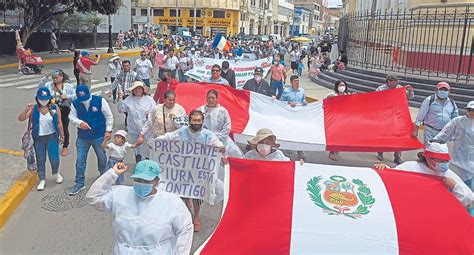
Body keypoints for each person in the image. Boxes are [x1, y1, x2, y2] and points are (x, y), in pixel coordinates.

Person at [85, 160, 193, 254]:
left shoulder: (171, 202)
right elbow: (93, 197)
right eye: (138, 180)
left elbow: (185, 228)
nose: (141, 183)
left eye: (146, 181)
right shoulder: (120, 194)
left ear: (156, 182)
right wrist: (112, 174)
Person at [154, 110, 225, 232]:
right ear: (189, 121)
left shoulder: (208, 135)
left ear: (202, 121)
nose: (196, 122)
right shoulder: (181, 132)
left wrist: (221, 148)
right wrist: (155, 142)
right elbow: (168, 137)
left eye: (199, 120)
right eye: (194, 120)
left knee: (197, 195)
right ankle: (184, 210)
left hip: (199, 171)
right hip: (183, 170)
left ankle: (196, 216)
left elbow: (217, 144)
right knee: (182, 192)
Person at [373, 142, 473, 211]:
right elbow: (393, 177)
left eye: (446, 160)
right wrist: (384, 168)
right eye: (441, 160)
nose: (445, 163)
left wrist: (455, 187)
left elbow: (469, 199)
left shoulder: (448, 175)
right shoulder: (411, 167)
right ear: (428, 158)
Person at [68, 85, 114, 195]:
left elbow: (109, 116)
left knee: (102, 157)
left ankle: (103, 177)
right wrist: (80, 123)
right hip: (83, 137)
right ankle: (79, 182)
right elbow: (71, 117)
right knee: (80, 160)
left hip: (98, 135)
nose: (83, 101)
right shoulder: (75, 104)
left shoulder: (100, 101)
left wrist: (108, 130)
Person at [18, 88, 65, 191]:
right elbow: (21, 118)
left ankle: (56, 173)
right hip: (38, 138)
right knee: (41, 159)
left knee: (54, 158)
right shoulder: (33, 109)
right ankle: (42, 179)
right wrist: (27, 109)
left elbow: (59, 122)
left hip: (52, 137)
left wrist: (62, 135)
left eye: (46, 99)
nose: (44, 101)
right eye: (41, 99)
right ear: (37, 99)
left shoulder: (54, 108)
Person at [433, 101, 474, 190]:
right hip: (457, 156)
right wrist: (434, 142)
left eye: (473, 110)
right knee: (453, 179)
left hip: (471, 159)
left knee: (468, 183)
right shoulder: (458, 121)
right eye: (469, 110)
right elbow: (445, 133)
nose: (471, 112)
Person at [375, 74, 415, 164]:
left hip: (398, 115)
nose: (396, 83)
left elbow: (410, 97)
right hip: (385, 115)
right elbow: (376, 100)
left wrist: (410, 90)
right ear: (388, 82)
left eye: (396, 81)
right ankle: (380, 153)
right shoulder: (380, 89)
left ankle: (397, 156)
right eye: (394, 81)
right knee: (384, 135)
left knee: (398, 136)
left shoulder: (400, 88)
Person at [118, 81, 156, 163]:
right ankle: (138, 163)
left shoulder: (149, 100)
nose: (137, 90)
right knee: (136, 146)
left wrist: (148, 115)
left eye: (139, 88)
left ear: (142, 89)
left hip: (146, 128)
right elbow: (121, 109)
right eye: (135, 89)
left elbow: (154, 112)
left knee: (147, 146)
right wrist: (120, 98)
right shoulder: (128, 100)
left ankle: (148, 163)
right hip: (133, 128)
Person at [40, 69, 76, 156]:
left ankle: (65, 146)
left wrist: (66, 96)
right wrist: (45, 77)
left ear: (61, 77)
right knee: (52, 127)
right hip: (52, 109)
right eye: (53, 78)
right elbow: (40, 87)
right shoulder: (49, 85)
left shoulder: (67, 86)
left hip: (64, 110)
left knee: (64, 127)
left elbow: (75, 96)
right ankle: (54, 144)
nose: (55, 79)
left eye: (56, 77)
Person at [198, 89, 243, 158]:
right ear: (206, 98)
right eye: (209, 98)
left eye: (213, 98)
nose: (211, 100)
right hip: (204, 139)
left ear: (217, 99)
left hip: (222, 139)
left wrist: (217, 139)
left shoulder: (223, 111)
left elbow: (227, 127)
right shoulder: (200, 110)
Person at [281, 75, 307, 161]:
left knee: (299, 132)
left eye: (298, 81)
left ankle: (300, 150)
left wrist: (304, 101)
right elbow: (281, 102)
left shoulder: (302, 90)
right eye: (295, 81)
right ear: (291, 82)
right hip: (290, 115)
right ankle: (288, 146)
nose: (297, 82)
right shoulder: (286, 91)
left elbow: (304, 99)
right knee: (289, 131)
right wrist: (289, 103)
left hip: (299, 115)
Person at [326, 80, 350, 161]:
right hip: (335, 118)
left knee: (341, 135)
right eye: (340, 85)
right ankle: (332, 152)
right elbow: (326, 103)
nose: (342, 87)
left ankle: (337, 149)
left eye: (343, 85)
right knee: (334, 135)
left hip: (344, 118)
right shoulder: (332, 95)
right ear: (337, 86)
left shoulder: (348, 95)